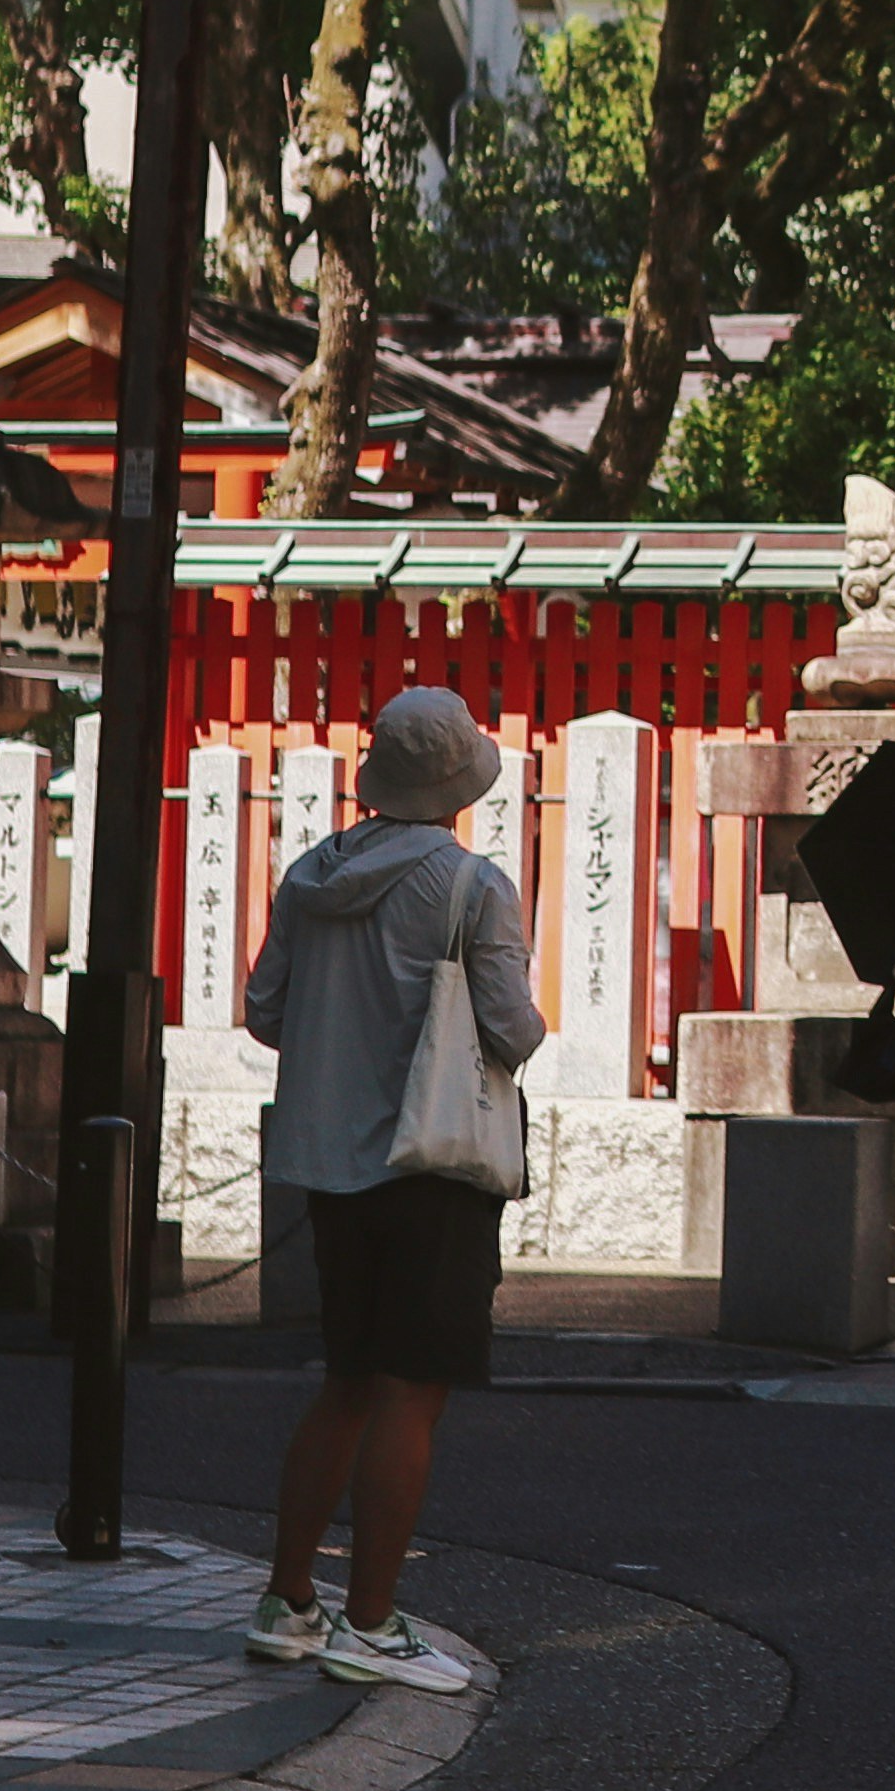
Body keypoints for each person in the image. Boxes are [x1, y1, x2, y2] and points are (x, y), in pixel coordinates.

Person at [243, 688, 540, 1690]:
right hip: (432, 1164)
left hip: (327, 1164)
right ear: (458, 781)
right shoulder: (471, 885)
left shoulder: (310, 874)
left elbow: (266, 1010)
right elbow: (512, 1028)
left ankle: (289, 1597)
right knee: (414, 1390)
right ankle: (370, 1620)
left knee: (347, 1380)